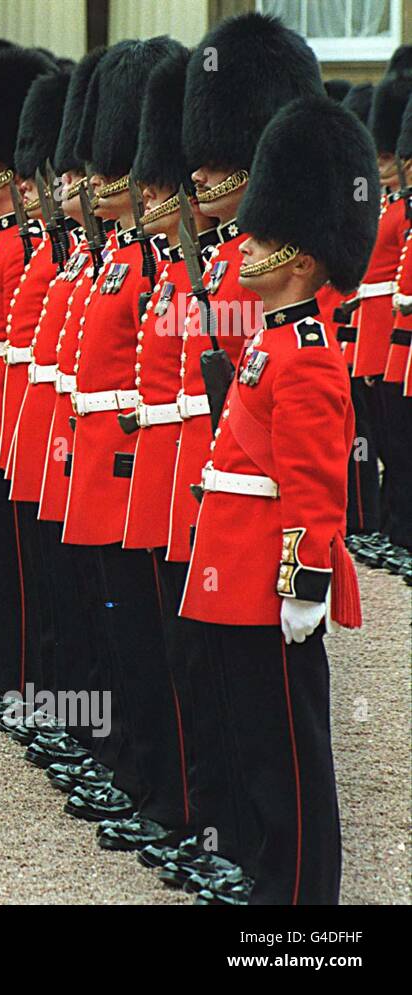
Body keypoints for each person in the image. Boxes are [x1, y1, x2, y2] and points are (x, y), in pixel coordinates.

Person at [180, 94, 376, 904]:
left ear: (299, 257)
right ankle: (273, 878)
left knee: (292, 754)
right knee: (259, 741)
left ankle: (302, 904)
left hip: (271, 576)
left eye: (261, 237)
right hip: (236, 561)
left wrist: (305, 583)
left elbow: (315, 486)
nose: (245, 247)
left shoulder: (307, 355)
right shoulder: (269, 338)